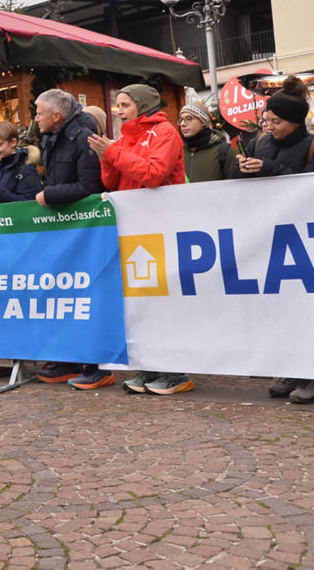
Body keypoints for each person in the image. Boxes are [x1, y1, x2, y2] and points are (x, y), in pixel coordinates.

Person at [231, 76, 314, 404]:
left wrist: (269, 168)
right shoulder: (262, 143)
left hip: (306, 237)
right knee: (279, 308)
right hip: (269, 234)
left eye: (275, 121)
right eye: (267, 120)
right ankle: (290, 368)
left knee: (306, 307)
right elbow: (242, 184)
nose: (268, 125)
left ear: (293, 121)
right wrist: (244, 169)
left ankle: (313, 376)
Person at [89, 83, 192, 395]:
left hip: (161, 225)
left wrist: (112, 152)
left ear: (142, 106)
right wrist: (106, 157)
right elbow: (111, 181)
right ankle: (150, 365)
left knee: (163, 300)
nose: (118, 112)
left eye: (124, 105)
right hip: (134, 229)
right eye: (118, 106)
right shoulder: (125, 138)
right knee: (141, 301)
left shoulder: (165, 133)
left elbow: (154, 174)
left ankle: (175, 371)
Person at [31, 88, 106, 386]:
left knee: (88, 296)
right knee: (64, 295)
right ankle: (68, 360)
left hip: (85, 231)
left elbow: (91, 186)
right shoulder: (51, 137)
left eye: (38, 112)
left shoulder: (83, 135)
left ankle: (95, 365)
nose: (35, 118)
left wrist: (50, 194)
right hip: (61, 229)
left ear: (56, 115)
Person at [179, 101, 235, 183]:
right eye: (181, 120)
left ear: (203, 122)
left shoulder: (225, 151)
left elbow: (236, 187)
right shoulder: (177, 152)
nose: (182, 124)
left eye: (188, 118)